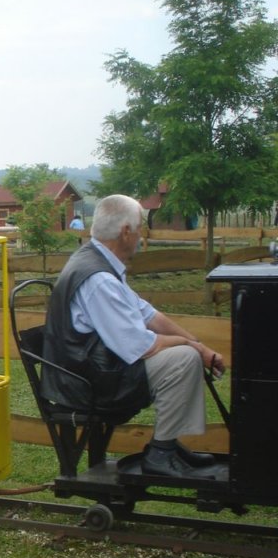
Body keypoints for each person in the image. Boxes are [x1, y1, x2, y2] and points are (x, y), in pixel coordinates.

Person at [42, 194, 225, 479]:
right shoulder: (99, 279)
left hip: (93, 369)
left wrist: (201, 346)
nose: (141, 235)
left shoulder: (97, 262)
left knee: (188, 352)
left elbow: (148, 314)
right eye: (140, 228)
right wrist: (194, 347)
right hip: (87, 384)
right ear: (126, 231)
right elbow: (142, 347)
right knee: (183, 359)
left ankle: (168, 446)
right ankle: (161, 453)